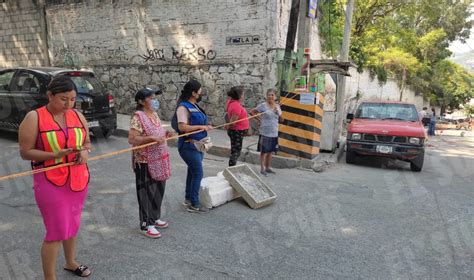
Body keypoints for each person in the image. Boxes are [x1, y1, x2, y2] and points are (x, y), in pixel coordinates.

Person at [18, 76, 92, 279]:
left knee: (71, 224)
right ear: (49, 95)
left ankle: (70, 262)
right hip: (49, 181)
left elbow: (86, 142)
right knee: (56, 231)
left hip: (78, 180)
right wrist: (54, 155)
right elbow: (25, 152)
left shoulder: (77, 115)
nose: (69, 104)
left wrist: (85, 153)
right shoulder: (35, 117)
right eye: (63, 99)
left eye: (73, 99)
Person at [128, 87, 172, 238]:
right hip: (144, 161)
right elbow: (132, 139)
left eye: (154, 97)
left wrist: (164, 134)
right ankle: (146, 224)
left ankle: (155, 217)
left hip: (159, 159)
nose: (154, 101)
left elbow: (155, 133)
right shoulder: (138, 117)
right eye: (151, 98)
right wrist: (151, 139)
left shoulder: (153, 114)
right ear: (141, 101)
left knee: (159, 188)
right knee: (146, 193)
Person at [176, 80, 212, 213]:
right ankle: (194, 204)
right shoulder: (183, 107)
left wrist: (206, 126)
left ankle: (188, 199)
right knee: (198, 173)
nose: (201, 92)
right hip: (188, 146)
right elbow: (182, 127)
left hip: (199, 145)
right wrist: (201, 127)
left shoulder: (195, 106)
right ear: (193, 93)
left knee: (192, 172)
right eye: (200, 90)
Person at [250, 89, 282, 176]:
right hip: (265, 132)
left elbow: (282, 119)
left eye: (272, 95)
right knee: (263, 151)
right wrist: (259, 119)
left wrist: (278, 112)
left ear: (275, 96)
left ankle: (267, 168)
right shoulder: (263, 106)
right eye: (269, 95)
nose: (270, 96)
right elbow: (252, 112)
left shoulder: (277, 106)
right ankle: (262, 168)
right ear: (266, 96)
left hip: (274, 132)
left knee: (270, 151)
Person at [225, 86, 249, 166]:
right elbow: (233, 122)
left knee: (234, 150)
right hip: (237, 132)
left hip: (236, 131)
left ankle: (231, 166)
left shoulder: (231, 102)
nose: (244, 96)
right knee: (236, 151)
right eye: (243, 94)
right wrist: (228, 125)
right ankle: (231, 167)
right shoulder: (236, 106)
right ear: (239, 95)